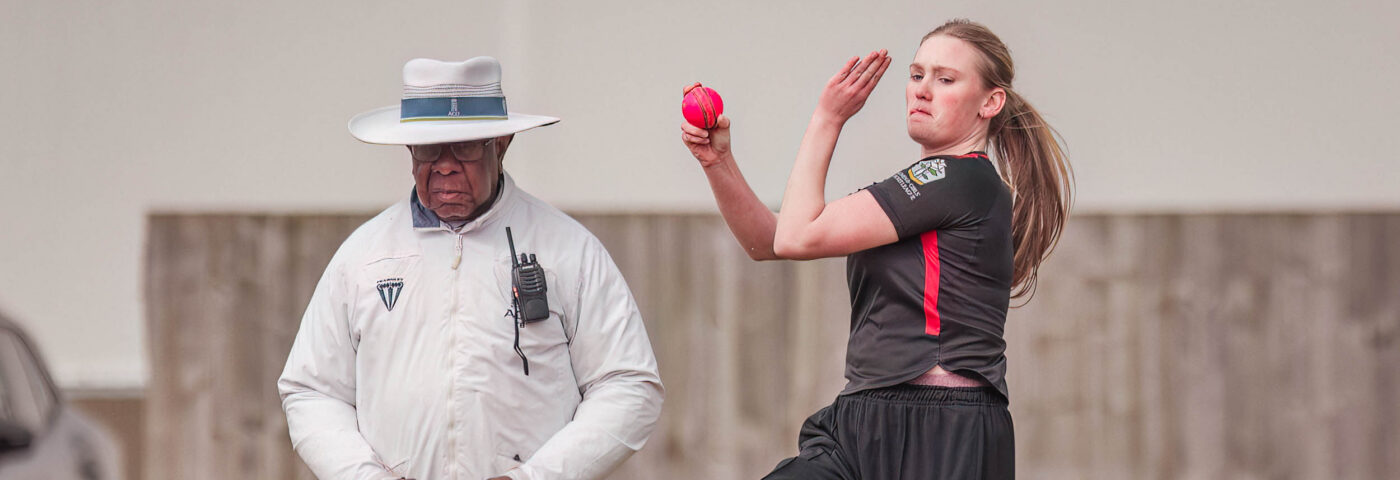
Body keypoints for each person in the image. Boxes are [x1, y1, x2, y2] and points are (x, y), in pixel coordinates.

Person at [680, 19, 1072, 479]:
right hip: (862, 419)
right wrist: (718, 162)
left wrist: (828, 117)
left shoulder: (960, 178)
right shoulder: (923, 189)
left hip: (942, 427)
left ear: (991, 102)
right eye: (917, 74)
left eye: (945, 79)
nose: (922, 89)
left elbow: (794, 236)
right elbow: (770, 241)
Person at [279, 56, 664, 480]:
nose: (444, 165)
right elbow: (312, 390)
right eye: (428, 148)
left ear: (501, 144)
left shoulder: (569, 249)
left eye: (464, 147)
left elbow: (629, 385)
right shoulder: (363, 256)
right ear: (409, 151)